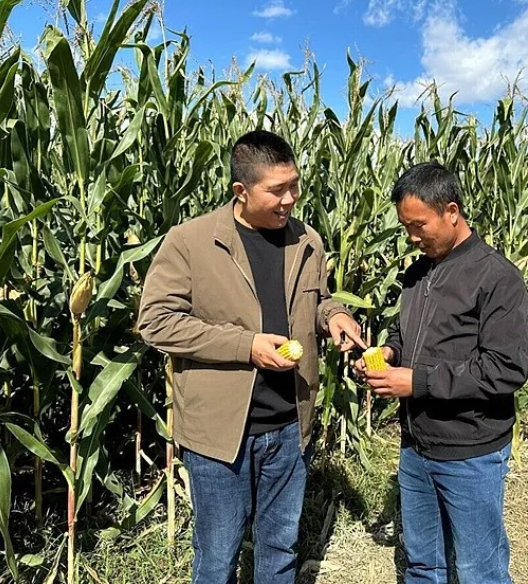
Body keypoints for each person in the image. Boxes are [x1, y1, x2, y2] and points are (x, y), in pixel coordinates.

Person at [138, 130, 365, 584]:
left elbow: (313, 302)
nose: (290, 200)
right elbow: (156, 321)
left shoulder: (307, 241)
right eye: (276, 190)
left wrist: (334, 316)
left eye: (294, 185)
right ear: (240, 191)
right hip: (221, 434)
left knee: (281, 548)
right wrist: (247, 346)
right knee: (218, 556)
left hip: (289, 425)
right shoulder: (191, 241)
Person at [357, 162, 528, 584]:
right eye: (405, 228)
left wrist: (415, 381)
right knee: (423, 565)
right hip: (415, 446)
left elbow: (506, 368)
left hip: (470, 451)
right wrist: (388, 352)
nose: (412, 238)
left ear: (451, 211)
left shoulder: (497, 277)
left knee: (478, 570)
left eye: (419, 226)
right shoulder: (418, 274)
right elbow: (405, 333)